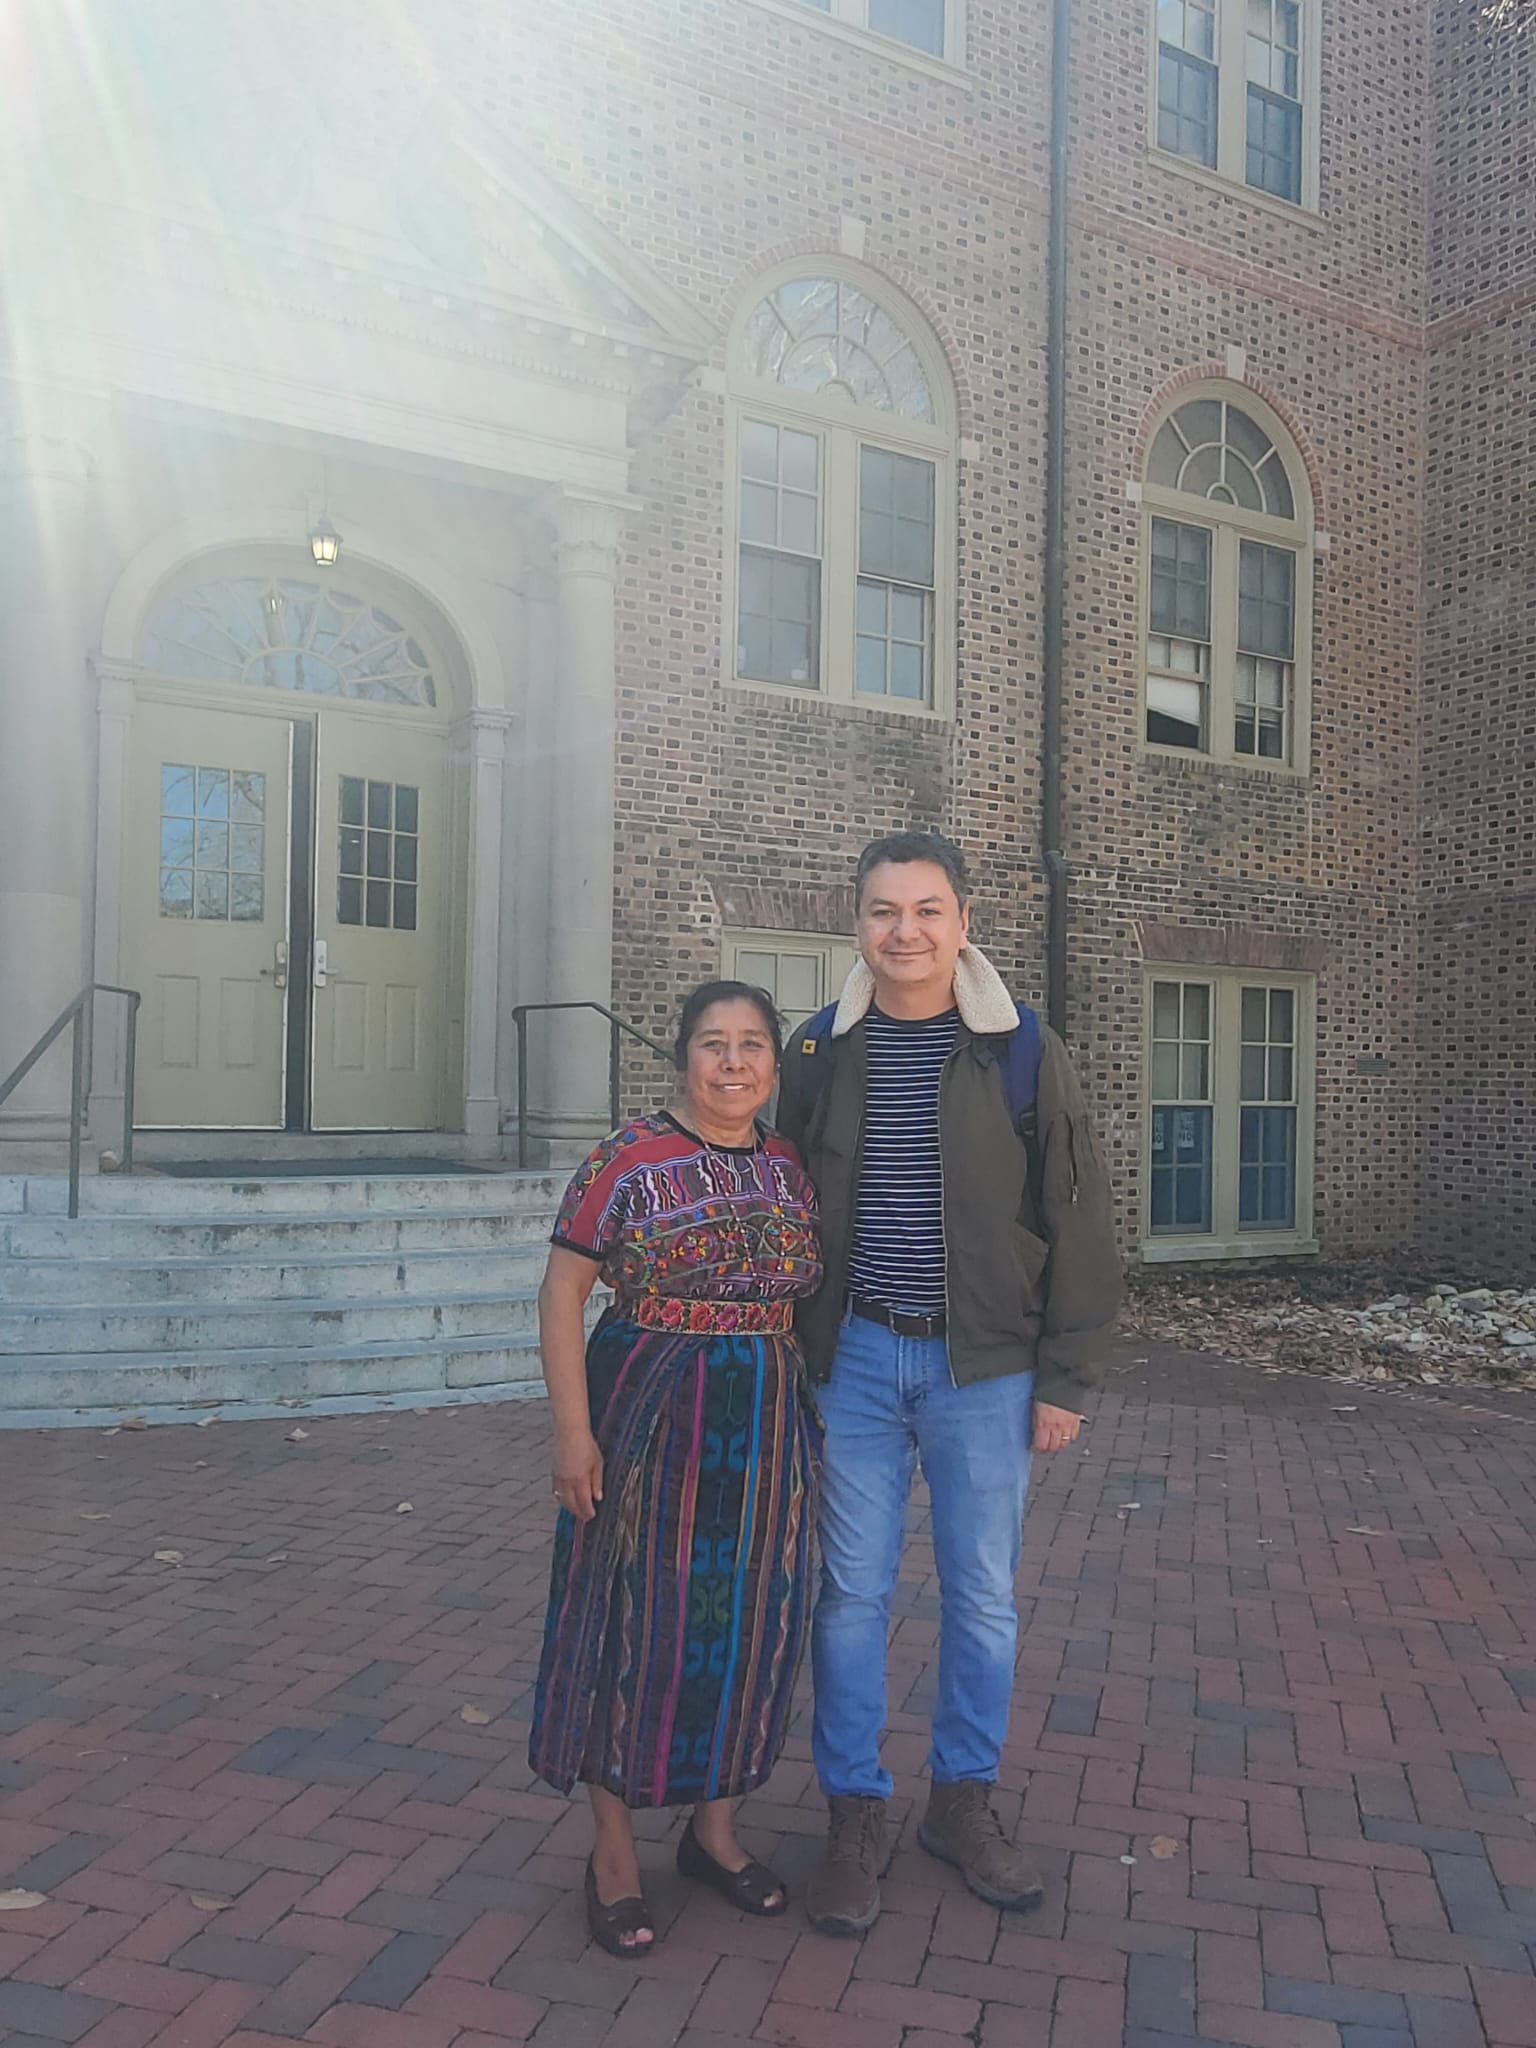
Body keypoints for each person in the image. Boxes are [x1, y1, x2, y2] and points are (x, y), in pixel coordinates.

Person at [776, 831, 1121, 1936]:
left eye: (928, 909)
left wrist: (1064, 1373)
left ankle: (962, 1801)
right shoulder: (820, 1050)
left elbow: (1077, 1217)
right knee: (851, 1598)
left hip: (987, 1367)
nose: (905, 931)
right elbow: (783, 1207)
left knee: (982, 1598)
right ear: (858, 922)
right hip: (860, 1362)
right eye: (884, 910)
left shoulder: (1021, 1050)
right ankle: (855, 1813)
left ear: (964, 922)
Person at [527, 981, 823, 1956]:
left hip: (767, 1422)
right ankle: (612, 1849)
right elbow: (563, 1288)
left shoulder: (789, 1162)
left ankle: (714, 1828)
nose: (732, 1062)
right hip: (648, 1413)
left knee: (747, 1622)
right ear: (682, 1055)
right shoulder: (627, 1156)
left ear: (774, 1061)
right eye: (712, 1043)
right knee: (630, 1620)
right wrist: (575, 1433)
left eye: (751, 1045)